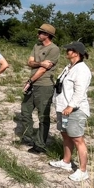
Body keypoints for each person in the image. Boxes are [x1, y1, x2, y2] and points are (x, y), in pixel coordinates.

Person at [49, 41, 92, 182]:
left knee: (77, 138)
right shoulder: (69, 67)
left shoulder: (82, 70)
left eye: (69, 50)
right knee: (65, 135)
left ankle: (83, 170)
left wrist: (71, 106)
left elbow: (80, 91)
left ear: (76, 53)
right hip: (63, 108)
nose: (66, 52)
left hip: (74, 110)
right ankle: (66, 162)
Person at [19, 23, 61, 154]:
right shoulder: (36, 46)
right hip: (33, 83)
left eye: (40, 33)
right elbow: (30, 62)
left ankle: (40, 144)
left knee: (43, 115)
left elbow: (44, 69)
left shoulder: (54, 49)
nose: (38, 35)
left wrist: (30, 81)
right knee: (25, 110)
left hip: (44, 86)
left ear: (47, 35)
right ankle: (28, 137)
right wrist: (39, 63)